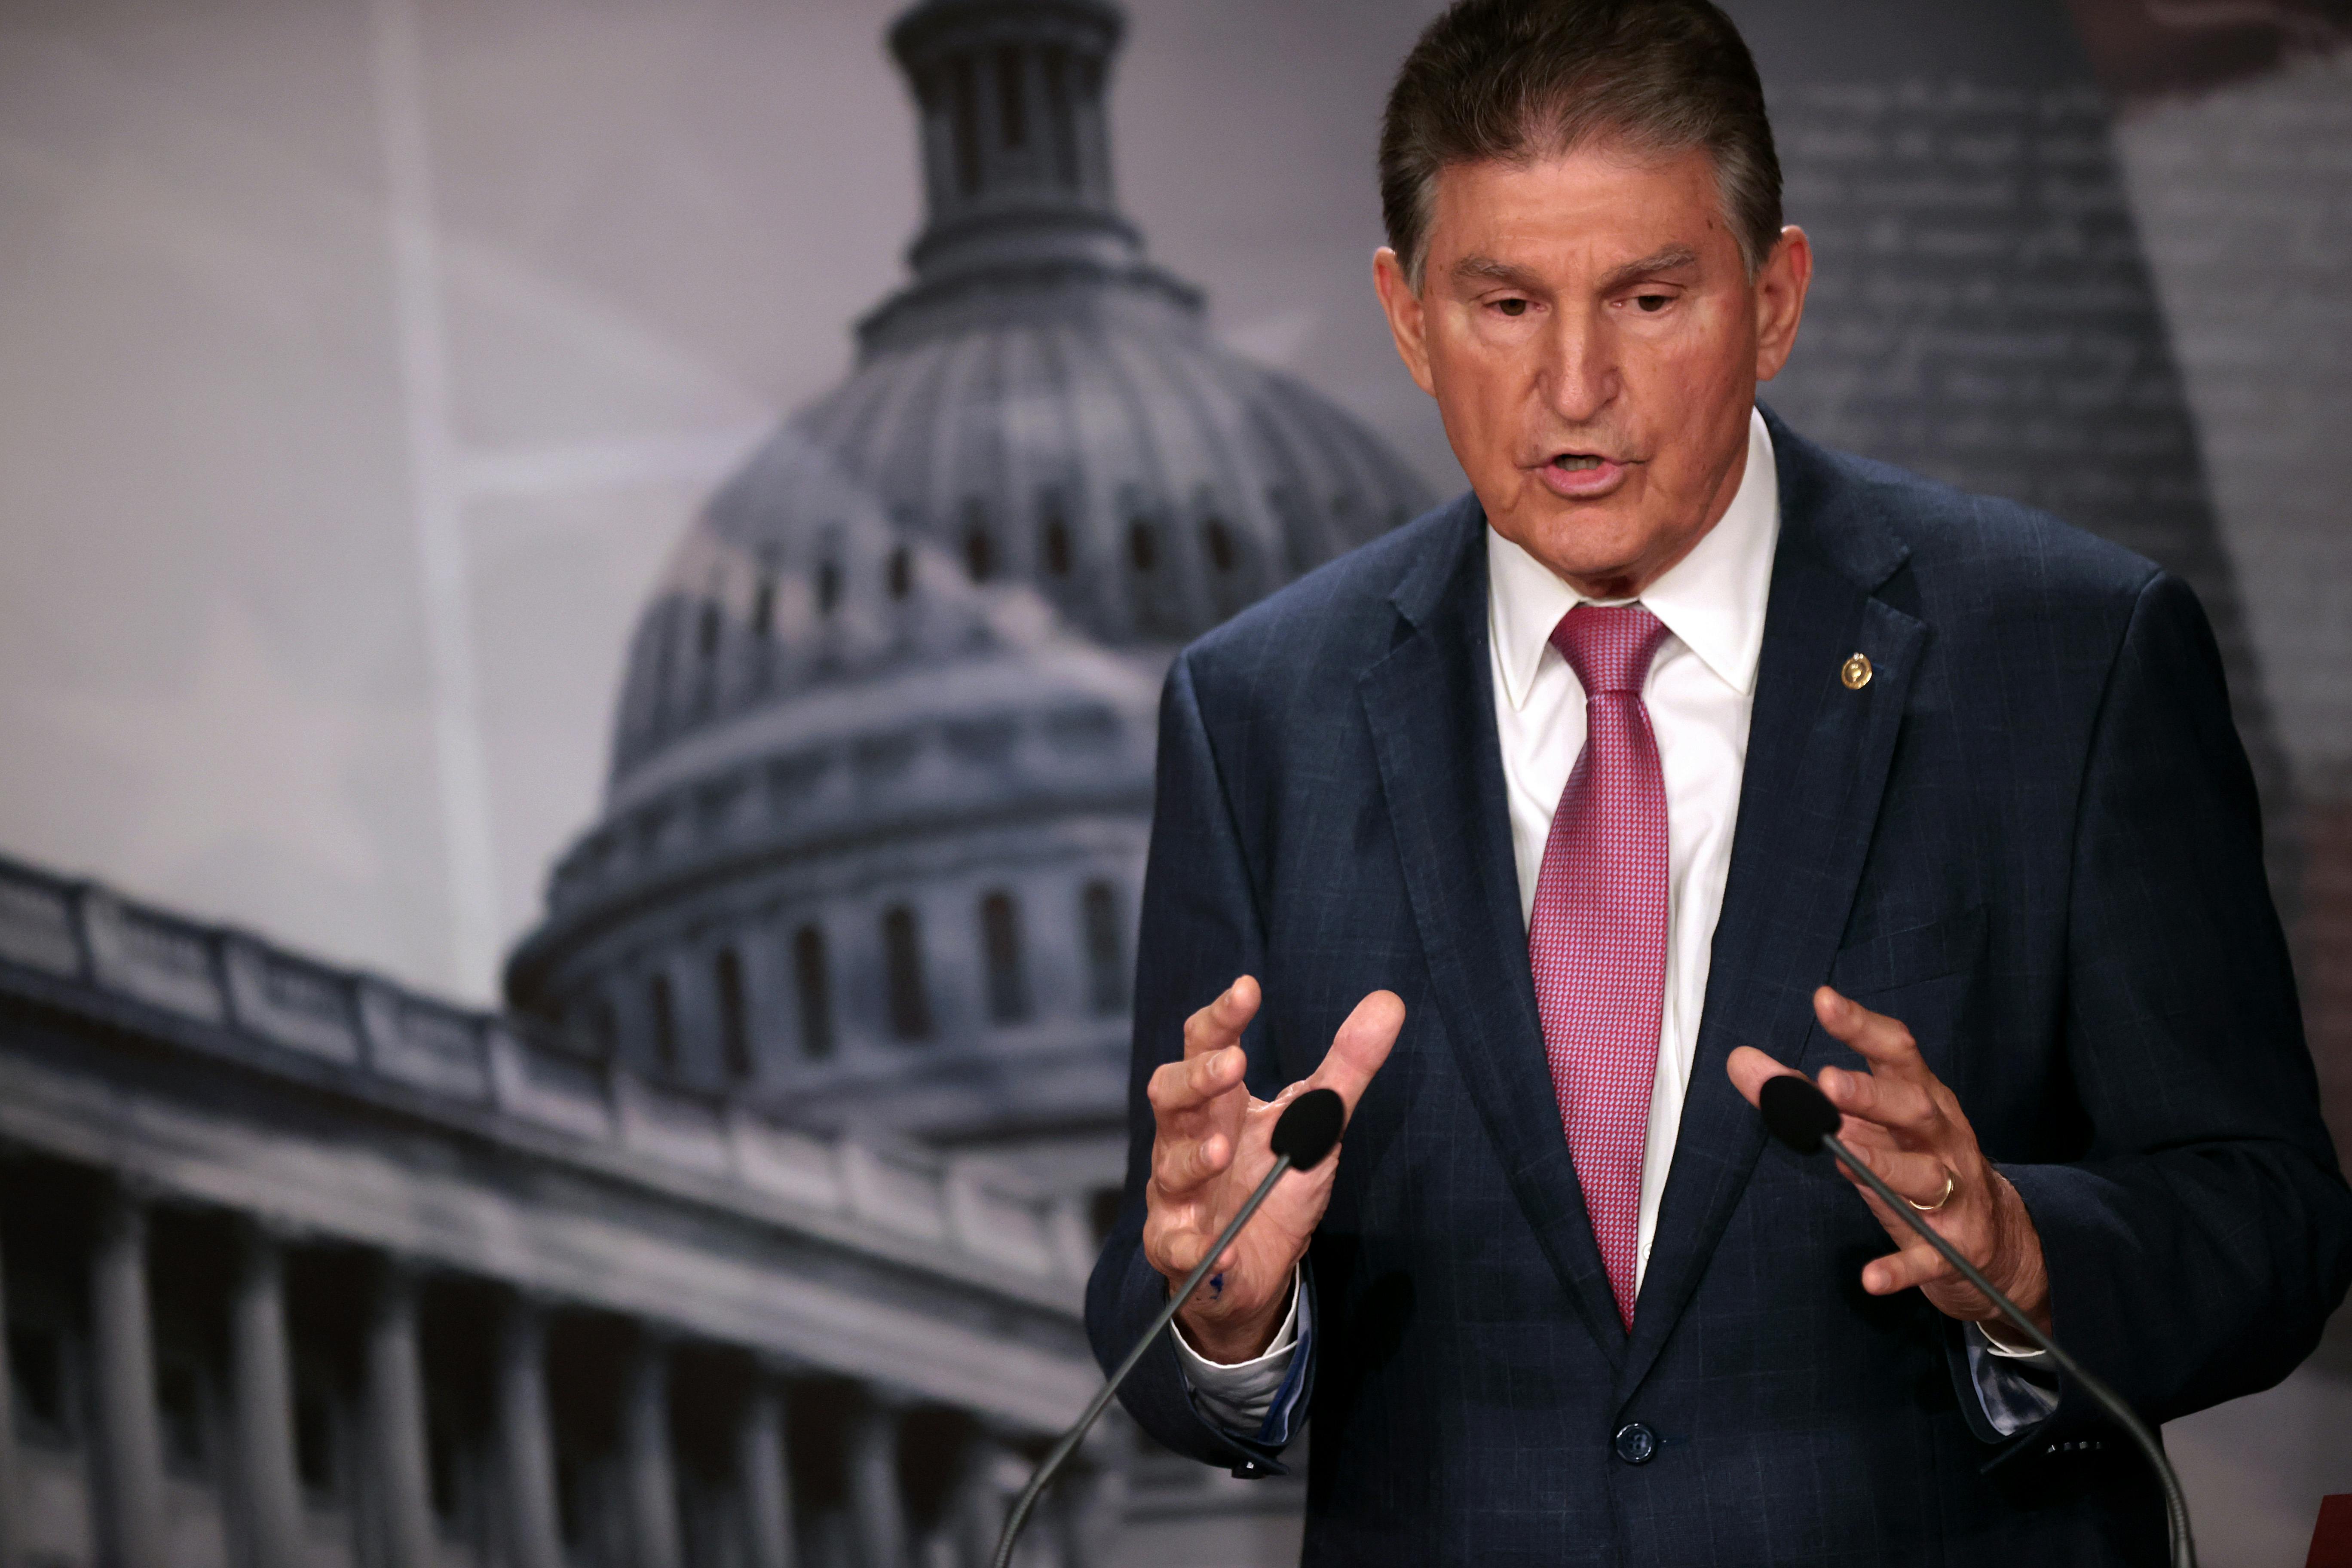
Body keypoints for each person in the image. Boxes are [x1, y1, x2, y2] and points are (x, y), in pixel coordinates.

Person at [1082, 0, 2352, 1562]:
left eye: (1647, 297)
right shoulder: (1257, 710)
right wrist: (1220, 1300)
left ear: (1775, 297)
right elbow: (1156, 1318)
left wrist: (2020, 1248)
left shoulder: (2070, 657)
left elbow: (2270, 1223)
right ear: (1407, 320)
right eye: (1502, 304)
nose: (1573, 386)